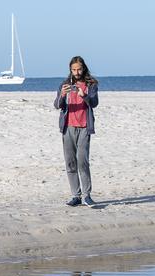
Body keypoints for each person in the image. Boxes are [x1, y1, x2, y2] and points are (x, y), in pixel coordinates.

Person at [54, 56, 99, 207]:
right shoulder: (64, 84)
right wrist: (62, 94)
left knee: (82, 161)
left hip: (84, 127)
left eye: (79, 69)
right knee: (70, 162)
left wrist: (84, 95)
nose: (76, 72)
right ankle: (76, 196)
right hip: (68, 128)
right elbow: (57, 105)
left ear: (83, 68)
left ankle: (87, 196)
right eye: (73, 70)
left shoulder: (91, 84)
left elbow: (94, 103)